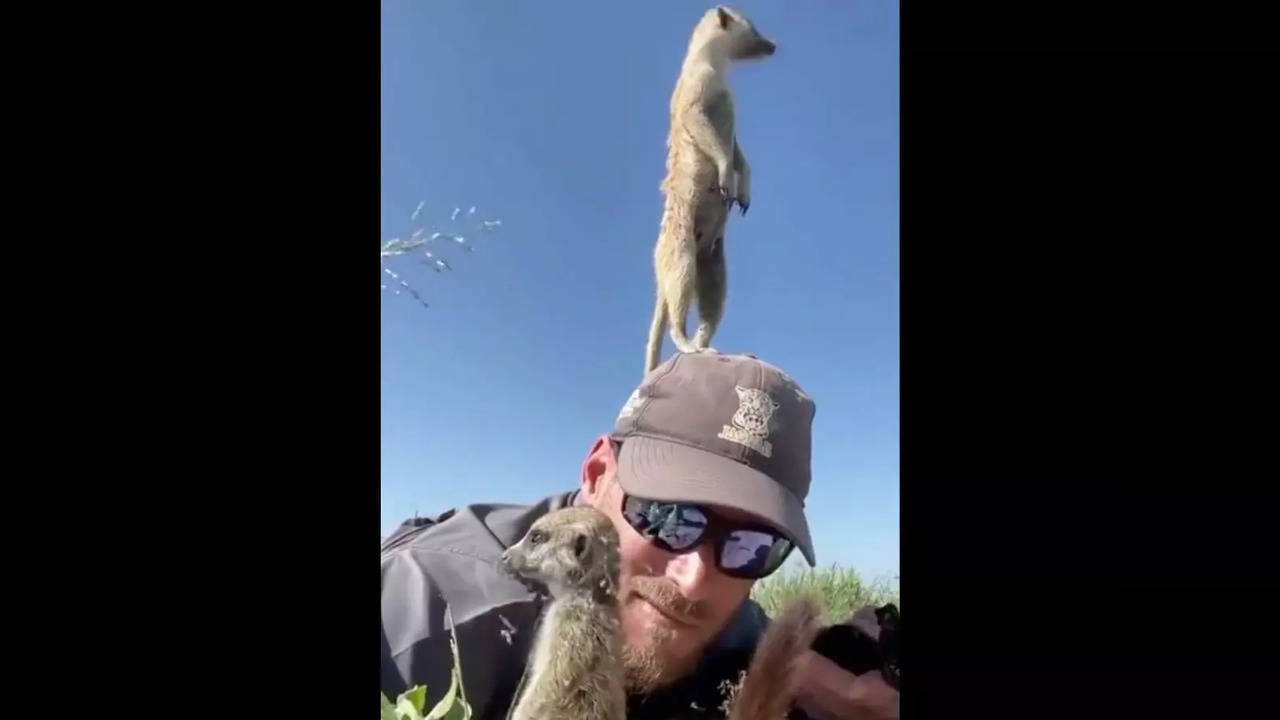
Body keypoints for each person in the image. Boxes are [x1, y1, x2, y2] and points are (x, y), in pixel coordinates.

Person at [380, 352, 899, 720]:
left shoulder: (724, 612)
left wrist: (844, 692)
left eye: (752, 546)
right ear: (598, 472)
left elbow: (766, 642)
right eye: (670, 516)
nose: (695, 579)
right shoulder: (426, 619)